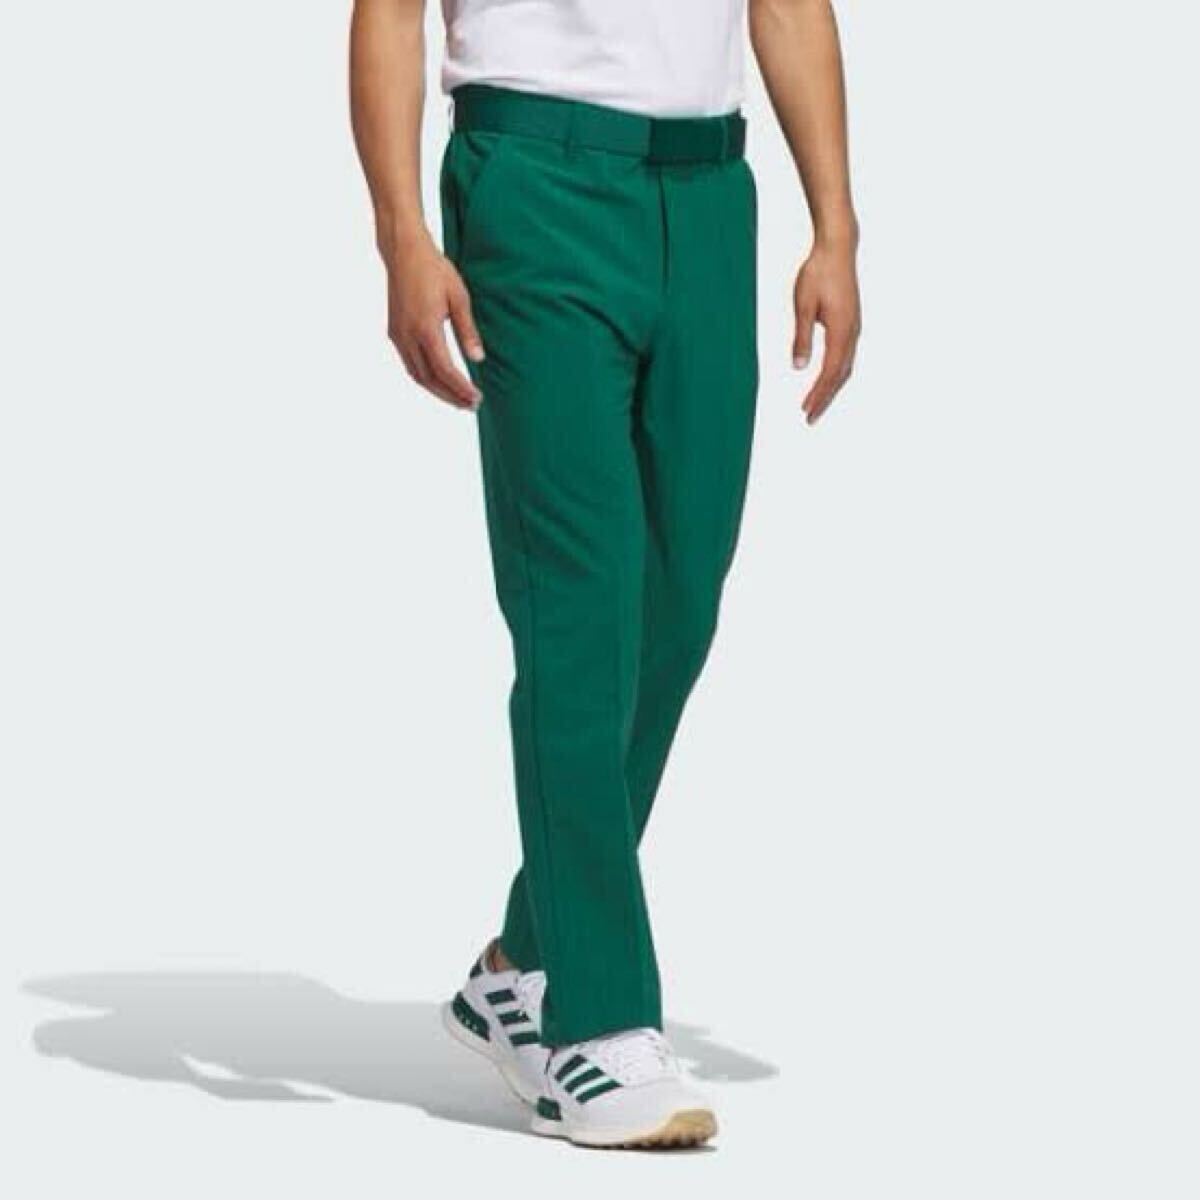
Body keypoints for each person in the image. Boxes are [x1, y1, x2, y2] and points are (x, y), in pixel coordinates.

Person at [349, 0, 861, 1149]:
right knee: (578, 612)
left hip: (708, 192)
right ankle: (600, 1022)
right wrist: (401, 235)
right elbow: (387, 11)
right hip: (535, 180)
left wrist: (835, 227)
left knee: (677, 608)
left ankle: (524, 961)